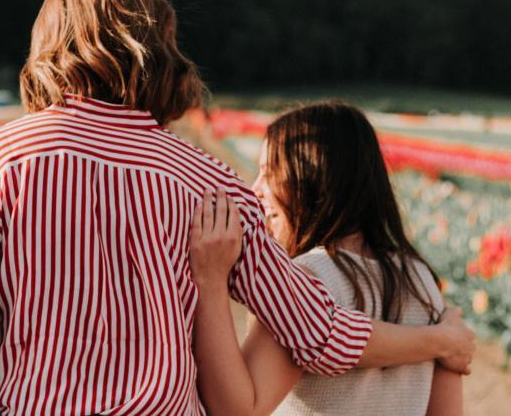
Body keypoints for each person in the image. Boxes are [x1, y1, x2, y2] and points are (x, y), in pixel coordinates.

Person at [0, 0, 475, 414]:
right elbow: (320, 333)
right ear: (160, 48)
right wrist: (439, 340)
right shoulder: (209, 184)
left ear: (48, 43)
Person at [188, 102, 463, 415]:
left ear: (311, 177)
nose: (255, 190)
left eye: (269, 173)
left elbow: (236, 410)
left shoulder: (307, 277)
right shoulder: (421, 278)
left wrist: (210, 282)